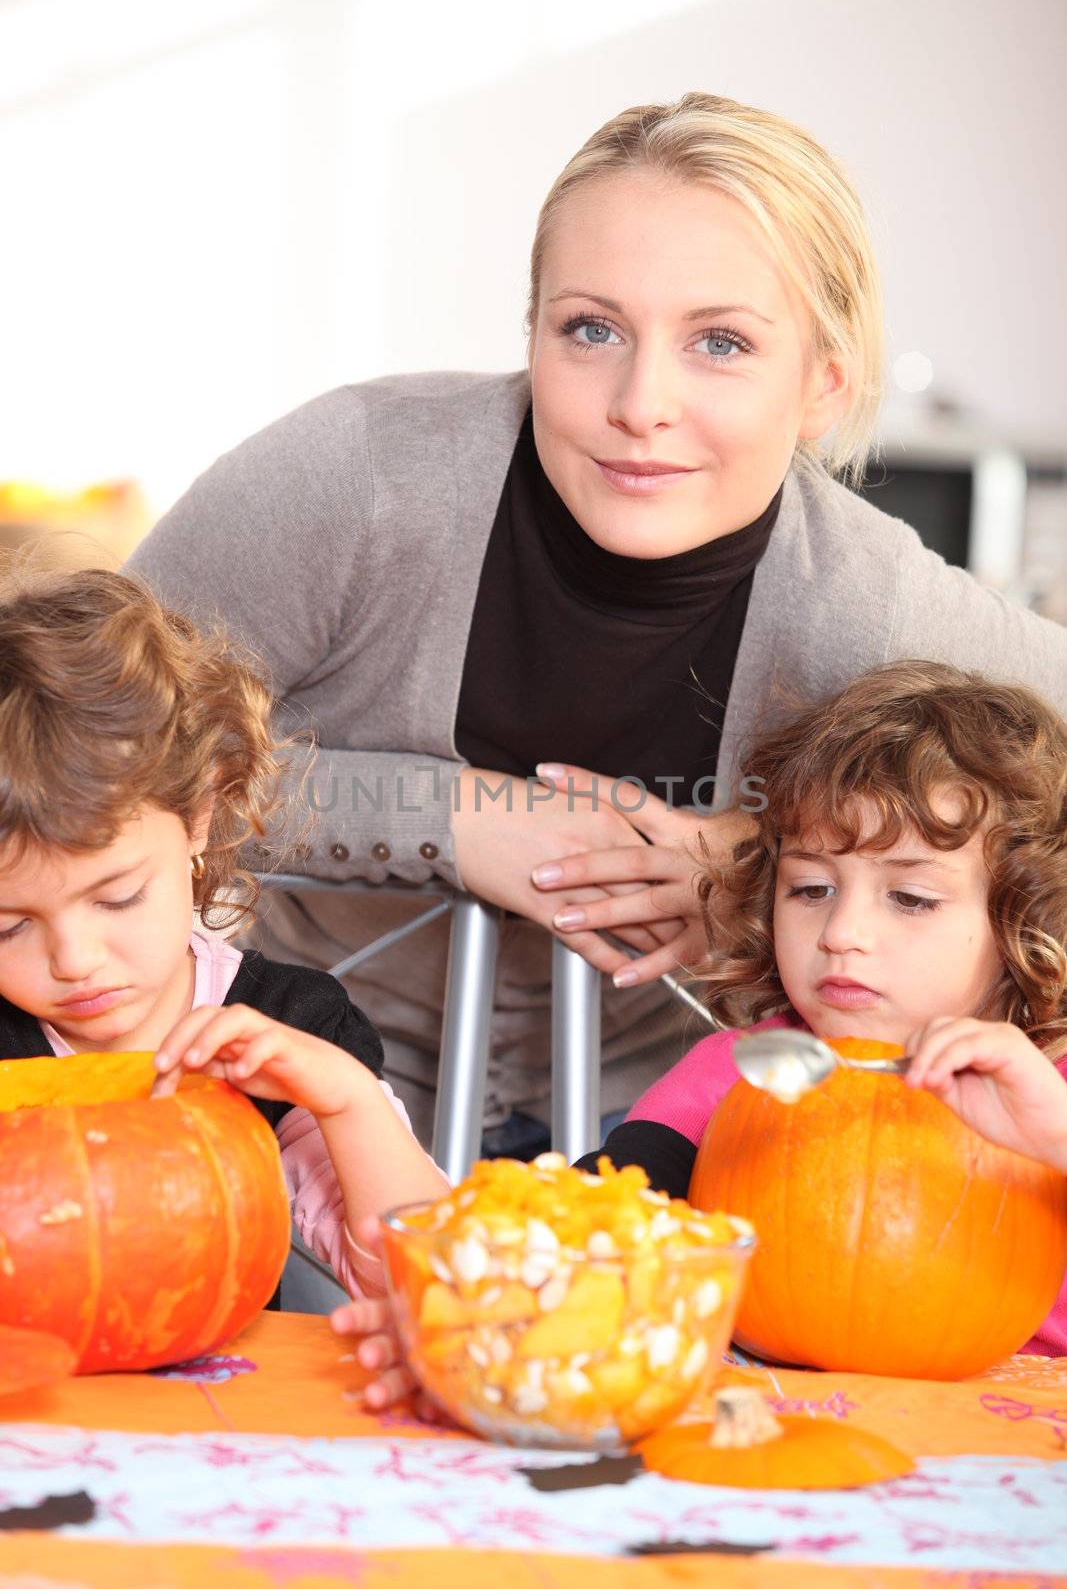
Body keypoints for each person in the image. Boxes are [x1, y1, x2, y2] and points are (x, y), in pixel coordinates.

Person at [129, 92, 1067, 1153]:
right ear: (530, 330)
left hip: (680, 1129)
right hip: (294, 1093)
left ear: (821, 384)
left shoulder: (863, 598)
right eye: (590, 329)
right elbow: (77, 754)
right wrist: (455, 823)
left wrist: (771, 865)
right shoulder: (357, 479)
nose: (640, 403)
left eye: (718, 343)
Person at [342, 659, 1067, 1408]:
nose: (841, 933)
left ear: (1025, 919)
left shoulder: (1049, 1087)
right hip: (764, 1422)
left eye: (910, 899)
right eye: (810, 889)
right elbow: (611, 1215)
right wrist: (477, 1318)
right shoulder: (740, 1071)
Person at [0, 568, 446, 1303]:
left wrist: (345, 1102)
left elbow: (421, 1285)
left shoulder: (292, 1025)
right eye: (9, 926)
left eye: (117, 898)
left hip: (223, 1406)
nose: (73, 961)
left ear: (199, 818)